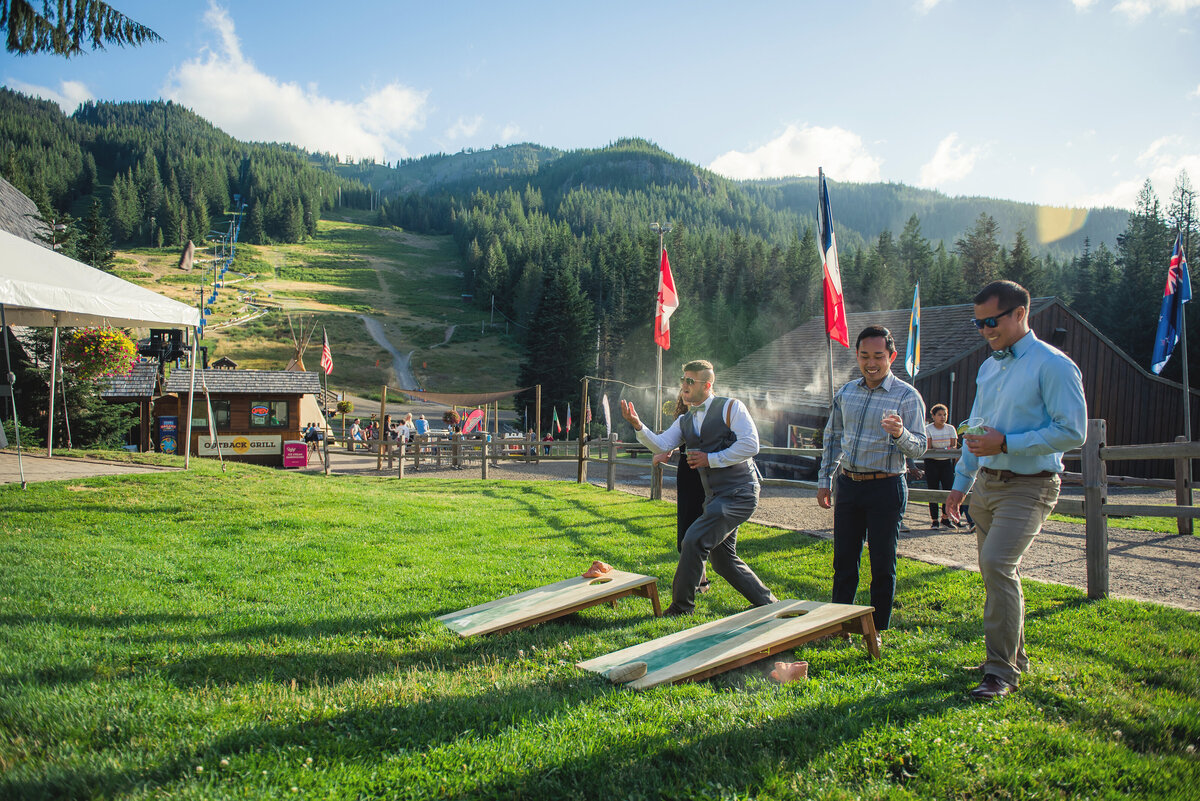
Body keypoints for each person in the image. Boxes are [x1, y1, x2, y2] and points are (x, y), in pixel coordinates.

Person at [946, 280, 1086, 701]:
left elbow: (1073, 431)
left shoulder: (1054, 365)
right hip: (986, 484)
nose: (985, 331)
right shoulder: (988, 367)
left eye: (992, 321)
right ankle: (1014, 656)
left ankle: (1000, 672)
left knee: (996, 565)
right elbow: (975, 430)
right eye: (979, 324)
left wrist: (1007, 443)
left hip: (1031, 486)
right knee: (997, 572)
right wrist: (960, 483)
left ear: (1020, 313)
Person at [621, 359, 776, 617]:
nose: (684, 385)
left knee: (693, 540)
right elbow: (661, 445)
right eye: (683, 380)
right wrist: (638, 425)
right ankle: (768, 604)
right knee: (723, 561)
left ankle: (682, 607)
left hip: (741, 493)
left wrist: (710, 459)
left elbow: (751, 445)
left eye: (690, 381)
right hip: (715, 497)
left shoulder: (731, 407)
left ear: (707, 384)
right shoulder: (685, 419)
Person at [817, 325, 927, 642]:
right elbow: (833, 438)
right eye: (865, 356)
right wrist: (825, 479)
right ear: (857, 356)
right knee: (844, 563)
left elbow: (920, 446)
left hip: (886, 487)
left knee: (882, 564)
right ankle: (839, 626)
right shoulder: (846, 393)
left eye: (879, 356)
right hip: (848, 485)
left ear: (891, 356)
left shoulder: (907, 396)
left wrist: (900, 434)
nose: (871, 363)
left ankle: (875, 631)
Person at [651, 393, 710, 594]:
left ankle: (700, 578)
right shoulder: (682, 421)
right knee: (689, 522)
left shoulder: (712, 415)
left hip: (707, 473)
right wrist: (663, 454)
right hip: (689, 474)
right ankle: (700, 578)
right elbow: (667, 446)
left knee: (701, 523)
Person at [924, 404, 959, 529]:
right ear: (933, 416)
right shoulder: (928, 428)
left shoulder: (951, 429)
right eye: (939, 415)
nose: (942, 417)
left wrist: (945, 450)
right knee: (933, 490)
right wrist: (945, 449)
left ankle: (945, 517)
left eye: (945, 415)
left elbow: (953, 446)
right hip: (931, 462)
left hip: (946, 462)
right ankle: (934, 519)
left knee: (948, 489)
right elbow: (929, 447)